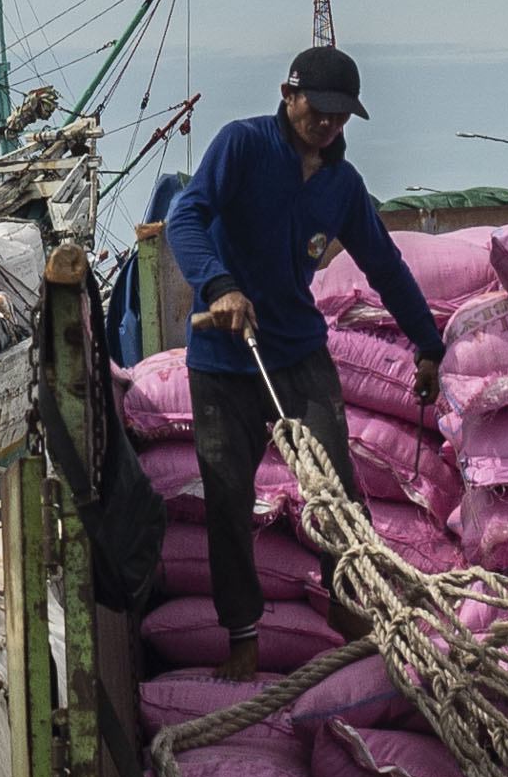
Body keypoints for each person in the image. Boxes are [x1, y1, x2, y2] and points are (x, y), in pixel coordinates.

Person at [161, 44, 444, 680]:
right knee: (228, 499)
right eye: (318, 110)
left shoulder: (342, 186)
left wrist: (428, 344)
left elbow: (385, 267)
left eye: (340, 116)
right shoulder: (242, 146)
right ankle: (243, 635)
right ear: (289, 96)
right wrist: (218, 285)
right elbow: (188, 219)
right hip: (223, 359)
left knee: (337, 490)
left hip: (298, 353)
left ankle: (350, 605)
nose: (327, 124)